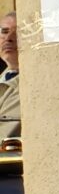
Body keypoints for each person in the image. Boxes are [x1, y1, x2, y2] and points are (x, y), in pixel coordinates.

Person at [0, 12, 20, 145]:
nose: (8, 38)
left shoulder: (30, 85)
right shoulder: (4, 78)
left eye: (17, 33)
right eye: (4, 32)